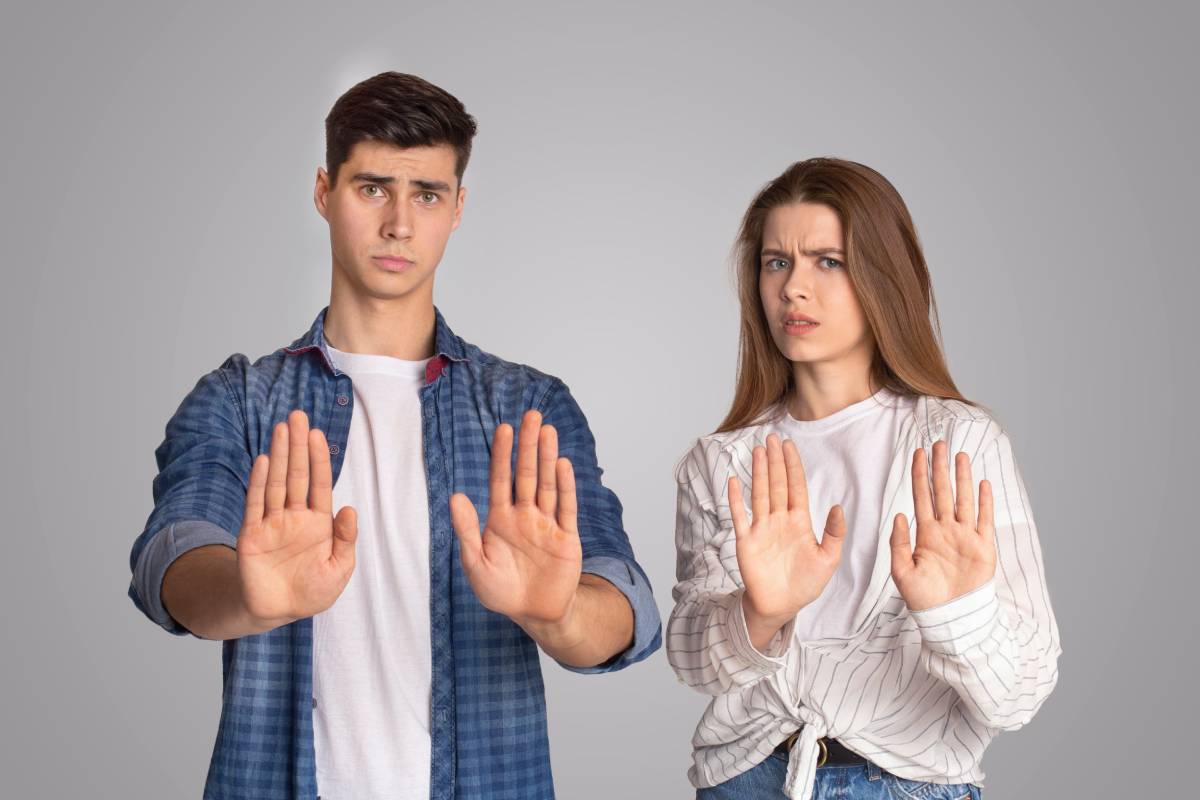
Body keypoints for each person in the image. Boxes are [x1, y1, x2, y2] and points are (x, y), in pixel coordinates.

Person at [127, 71, 660, 800]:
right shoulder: (239, 399)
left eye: (427, 195)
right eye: (373, 187)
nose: (399, 224)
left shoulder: (526, 406)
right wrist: (250, 598)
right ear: (324, 192)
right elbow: (171, 561)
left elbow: (625, 607)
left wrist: (559, 612)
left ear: (458, 208)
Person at [666, 158, 1060, 799]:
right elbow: (691, 659)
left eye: (829, 261)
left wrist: (955, 614)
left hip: (905, 784)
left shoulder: (957, 442)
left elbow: (1020, 694)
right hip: (747, 780)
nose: (793, 288)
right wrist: (759, 615)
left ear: (883, 279)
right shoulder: (721, 462)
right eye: (776, 262)